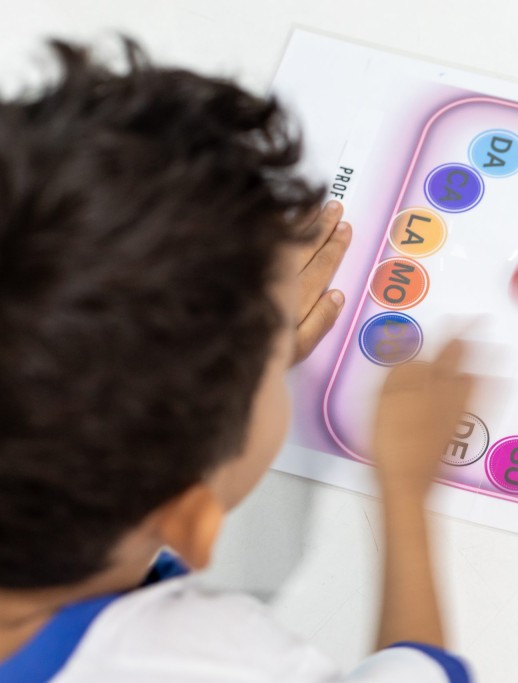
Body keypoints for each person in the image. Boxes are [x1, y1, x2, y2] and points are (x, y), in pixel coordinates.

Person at [0, 38, 473, 682]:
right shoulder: (203, 659)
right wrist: (406, 487)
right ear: (191, 526)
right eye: (272, 354)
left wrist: (226, 370)